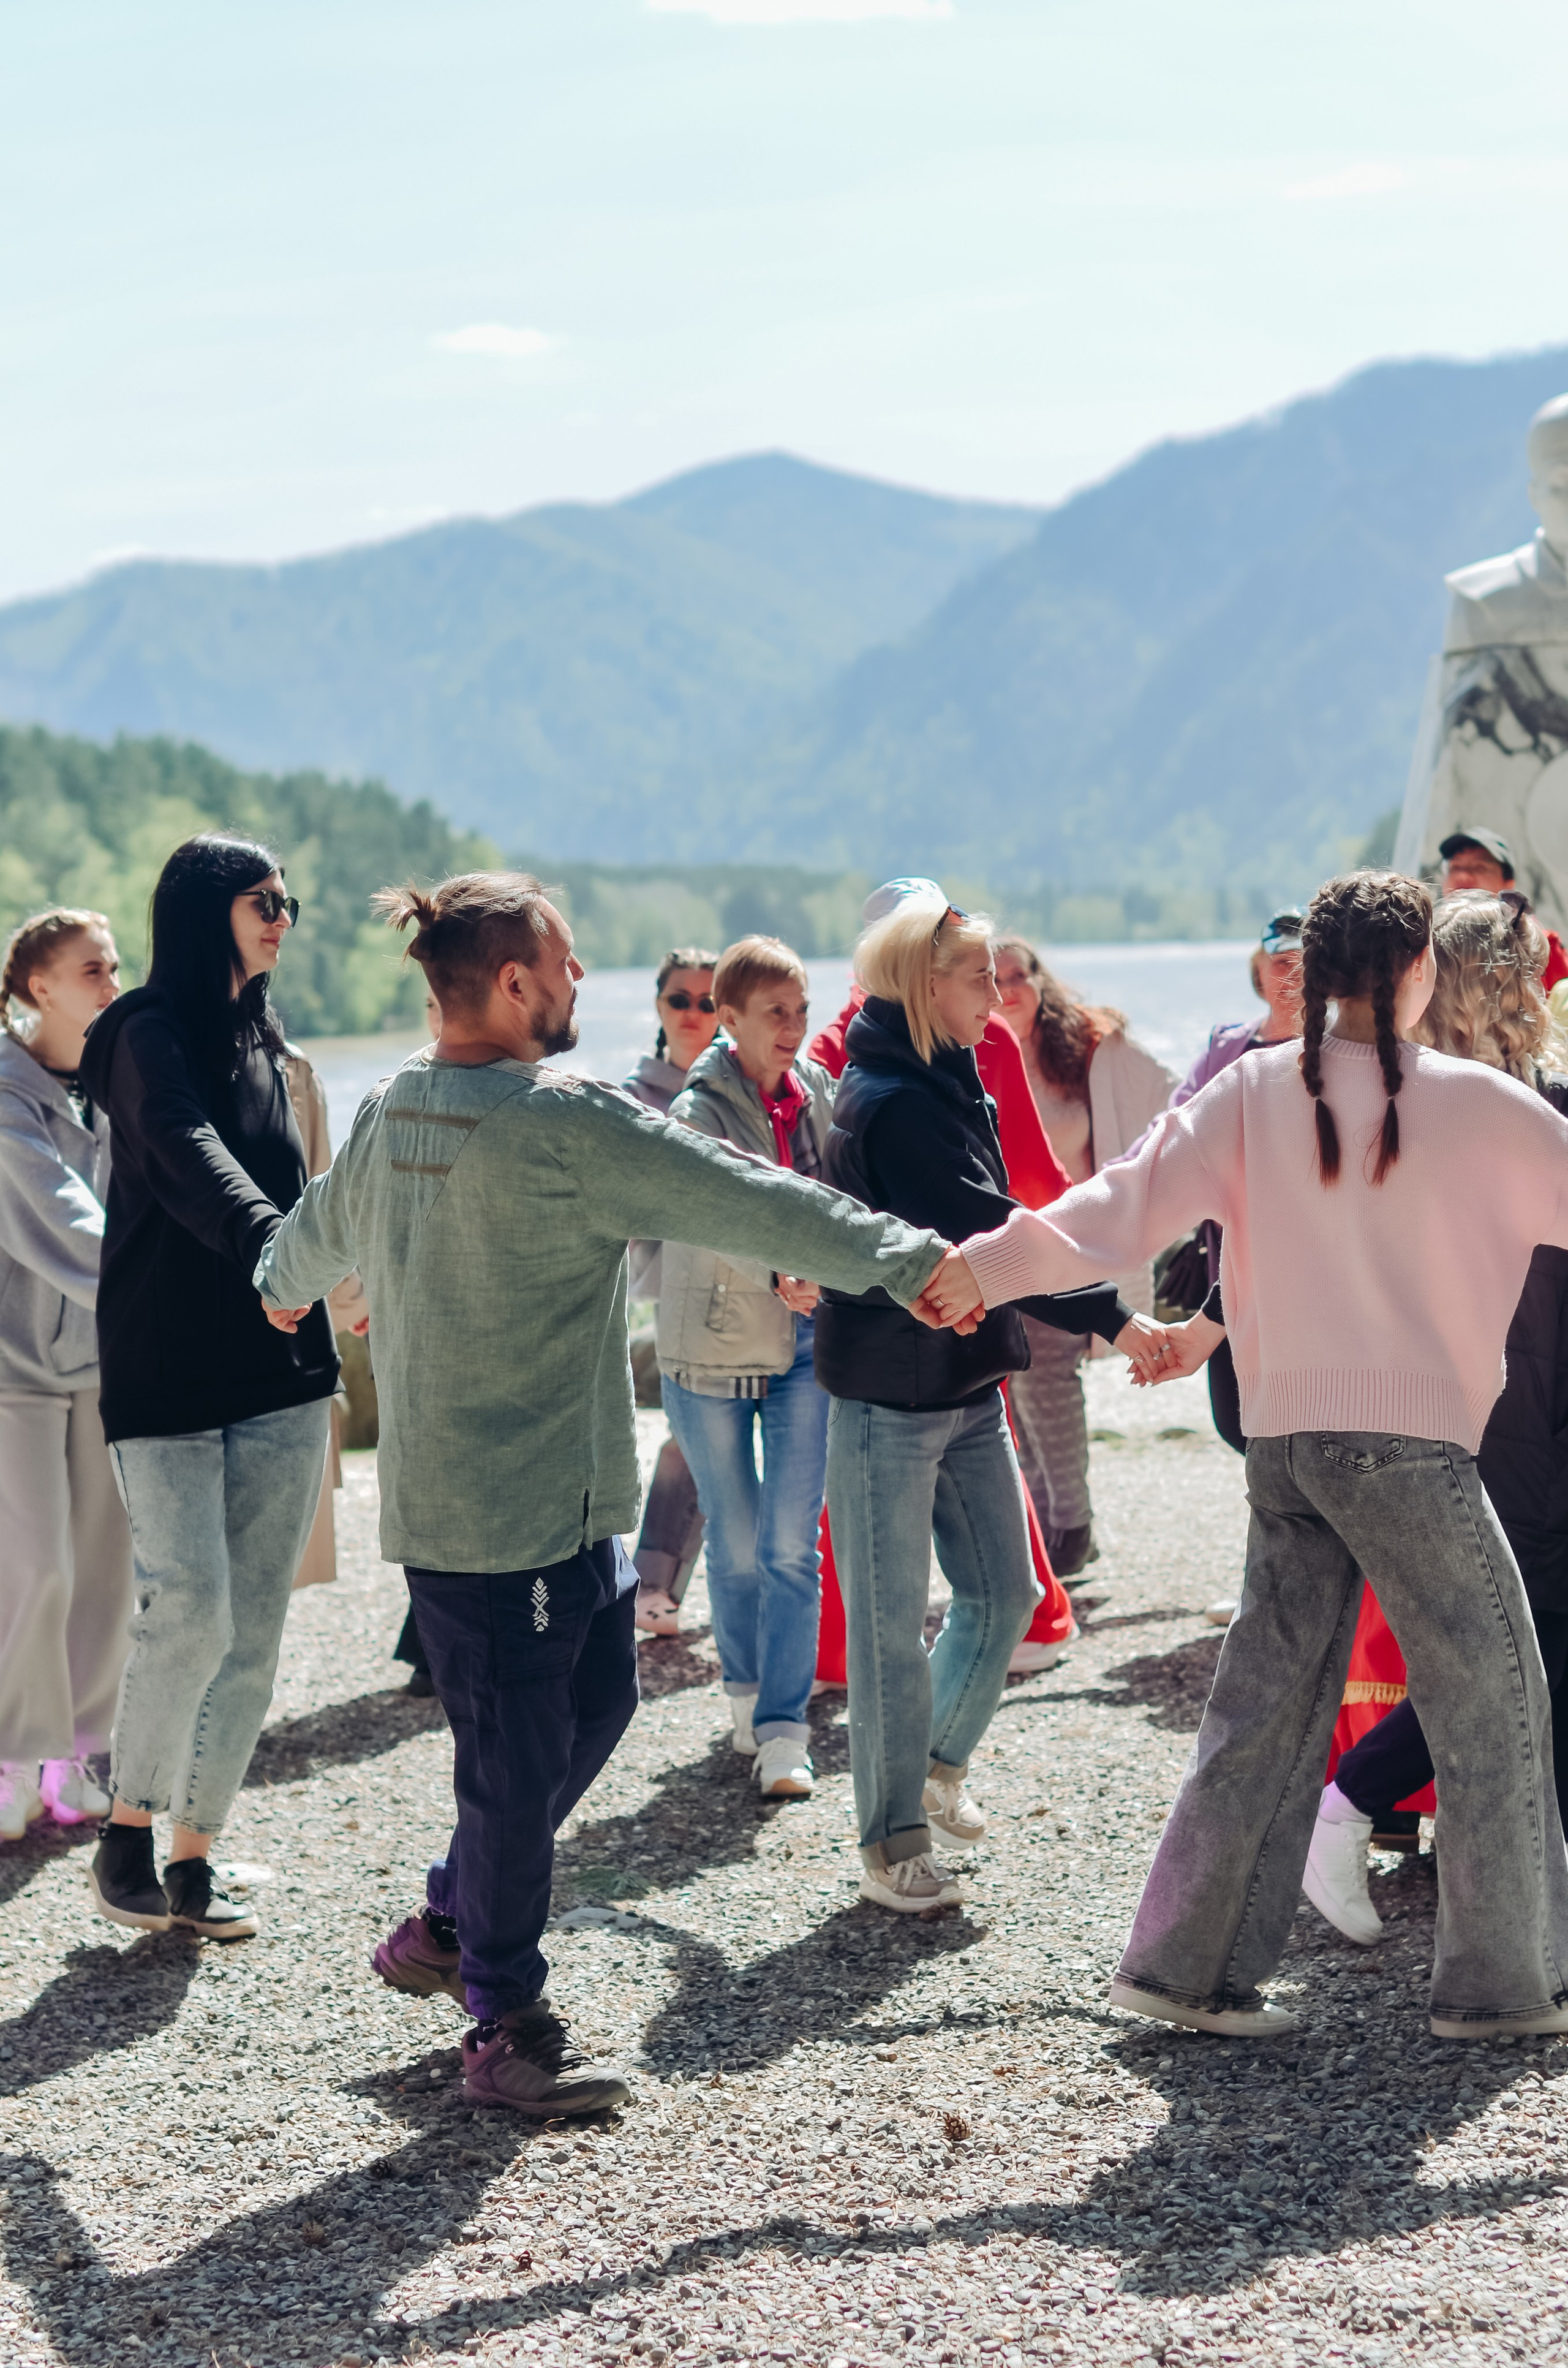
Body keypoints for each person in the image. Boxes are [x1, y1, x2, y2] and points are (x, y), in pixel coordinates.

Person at [255, 871, 952, 2117]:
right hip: (498, 1515)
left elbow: (307, 1236)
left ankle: (451, 1919)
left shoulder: (393, 1106)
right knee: (514, 1765)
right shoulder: (560, 1121)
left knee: (597, 1698)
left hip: (551, 1511)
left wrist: (282, 1281)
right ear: (514, 982)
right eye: (567, 961)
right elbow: (750, 1195)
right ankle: (501, 2021)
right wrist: (908, 1260)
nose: (581, 981)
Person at [919, 868, 1568, 2041]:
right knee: (1496, 1698)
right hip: (1413, 1454)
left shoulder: (1255, 1090)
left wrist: (980, 1266)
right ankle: (1503, 1989)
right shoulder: (1477, 1104)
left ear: (1310, 978)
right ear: (1419, 970)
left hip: (1286, 1447)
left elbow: (1111, 1209)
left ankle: (1182, 1968)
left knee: (1262, 1707)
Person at [816, 891, 1169, 1915]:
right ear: (925, 985)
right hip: (888, 1396)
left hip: (965, 1381)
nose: (998, 991)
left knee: (1006, 1595)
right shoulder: (886, 1097)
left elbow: (1009, 1226)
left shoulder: (946, 1067)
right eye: (979, 976)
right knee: (888, 1633)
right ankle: (891, 1845)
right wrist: (1118, 1315)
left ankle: (931, 1765)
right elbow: (1000, 1228)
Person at [78, 836, 339, 1940]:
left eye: (289, 901)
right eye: (260, 900)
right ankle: (125, 1833)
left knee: (257, 1628)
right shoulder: (142, 1032)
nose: (281, 916)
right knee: (191, 1608)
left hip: (281, 1369)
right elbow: (187, 1152)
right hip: (165, 1366)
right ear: (200, 910)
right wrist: (272, 1253)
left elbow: (306, 1183)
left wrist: (338, 1272)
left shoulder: (264, 1040)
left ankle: (195, 1854)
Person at [1303, 890, 1568, 1943]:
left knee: (1534, 1644)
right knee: (1521, 1645)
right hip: (1520, 1415)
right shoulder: (1506, 1112)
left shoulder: (1433, 1108)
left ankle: (1518, 1871)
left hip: (1494, 1407)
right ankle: (1352, 1798)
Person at [809, 879, 1076, 1681]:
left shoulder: (843, 1040)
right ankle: (893, 1691)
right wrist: (1064, 1261)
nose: (991, 992)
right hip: (928, 1314)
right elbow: (1030, 1172)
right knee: (959, 1478)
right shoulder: (951, 1038)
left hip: (888, 1317)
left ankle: (843, 1663)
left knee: (872, 1526)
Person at [658, 936, 834, 1798]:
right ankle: (743, 1688)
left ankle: (784, 1727)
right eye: (777, 1014)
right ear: (728, 1020)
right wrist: (779, 1269)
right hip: (712, 1345)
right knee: (733, 1541)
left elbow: (848, 1193)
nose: (795, 1029)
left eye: (802, 1011)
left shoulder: (819, 1096)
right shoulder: (695, 1107)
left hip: (808, 1345)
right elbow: (712, 1202)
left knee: (791, 1544)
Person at [0, 910, 133, 1842]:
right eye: (94, 970)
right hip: (12, 1366)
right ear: (39, 988)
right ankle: (13, 1757)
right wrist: (165, 1288)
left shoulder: (117, 1084)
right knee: (33, 1569)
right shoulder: (6, 1095)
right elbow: (58, 1220)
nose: (113, 985)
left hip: (105, 1359)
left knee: (104, 1569)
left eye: (117, 967)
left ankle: (83, 1749)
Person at [990, 937, 1174, 1575]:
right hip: (997, 1246)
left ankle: (1070, 1524)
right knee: (1011, 1389)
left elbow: (1179, 1101)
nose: (1008, 988)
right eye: (993, 977)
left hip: (1069, 1249)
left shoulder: (1092, 1051)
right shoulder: (975, 1053)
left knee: (1047, 1385)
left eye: (1021, 974)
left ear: (1042, 981)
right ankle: (1047, 1524)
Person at [622, 947, 720, 1637]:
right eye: (679, 999)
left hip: (770, 1289)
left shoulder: (755, 1085)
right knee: (693, 1435)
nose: (692, 1013)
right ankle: (652, 1582)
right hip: (678, 1287)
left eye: (708, 1001)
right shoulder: (635, 1097)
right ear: (659, 1008)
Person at [284, 1046, 369, 1589]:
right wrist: (353, 1302)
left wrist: (349, 1299)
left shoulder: (294, 1069)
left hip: (286, 1324)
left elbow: (321, 1198)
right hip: (281, 1318)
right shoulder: (290, 1067)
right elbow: (320, 1197)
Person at [1438, 827, 1568, 989]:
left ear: (1509, 883)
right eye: (1456, 867)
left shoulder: (1542, 950)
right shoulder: (1423, 944)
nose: (1463, 877)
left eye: (1479, 868)